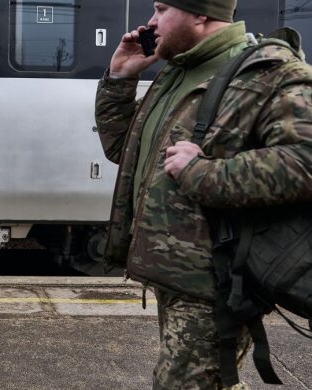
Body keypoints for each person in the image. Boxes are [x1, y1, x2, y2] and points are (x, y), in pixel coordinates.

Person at [95, 1, 312, 388]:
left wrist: (200, 172)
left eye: (162, 9)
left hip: (217, 282)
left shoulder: (268, 71)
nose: (151, 21)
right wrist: (119, 80)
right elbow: (124, 152)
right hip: (175, 275)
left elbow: (304, 163)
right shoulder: (179, 71)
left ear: (200, 13)